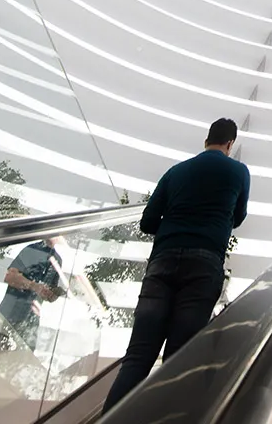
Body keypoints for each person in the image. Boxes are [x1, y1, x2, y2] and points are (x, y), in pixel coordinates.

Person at [103, 118, 250, 412]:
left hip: (162, 264)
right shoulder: (238, 171)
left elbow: (147, 221)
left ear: (206, 139)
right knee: (179, 359)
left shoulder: (176, 172)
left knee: (138, 356)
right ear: (230, 144)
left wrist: (176, 226)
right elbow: (238, 216)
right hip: (204, 265)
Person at [0, 238, 64, 348]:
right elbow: (9, 276)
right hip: (10, 313)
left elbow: (50, 297)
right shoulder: (32, 249)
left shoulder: (57, 260)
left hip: (30, 323)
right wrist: (33, 286)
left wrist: (53, 294)